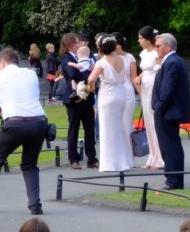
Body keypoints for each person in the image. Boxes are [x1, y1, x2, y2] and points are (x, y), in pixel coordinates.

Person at [0, 48, 47, 215]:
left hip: (14, 123)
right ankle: (35, 205)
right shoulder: (31, 74)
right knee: (30, 165)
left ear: (2, 62)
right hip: (38, 122)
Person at [86, 35, 134, 172]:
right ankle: (122, 161)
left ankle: (109, 163)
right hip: (120, 94)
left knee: (107, 128)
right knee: (118, 127)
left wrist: (90, 88)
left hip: (107, 95)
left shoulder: (102, 63)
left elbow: (91, 79)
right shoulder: (122, 59)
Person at [152, 33, 190, 190]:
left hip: (167, 111)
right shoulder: (174, 60)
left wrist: (159, 107)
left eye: (158, 46)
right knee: (173, 145)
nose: (156, 48)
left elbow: (168, 88)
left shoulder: (172, 62)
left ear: (168, 46)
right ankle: (176, 179)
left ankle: (173, 180)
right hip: (170, 110)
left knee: (168, 146)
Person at [59, 33, 98, 170]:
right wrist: (89, 76)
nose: (79, 44)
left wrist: (90, 75)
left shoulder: (86, 56)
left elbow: (95, 69)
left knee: (90, 129)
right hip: (74, 99)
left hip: (87, 97)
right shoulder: (66, 58)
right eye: (76, 42)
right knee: (74, 129)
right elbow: (73, 74)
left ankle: (92, 159)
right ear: (69, 44)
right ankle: (74, 159)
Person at [135, 25, 164, 169]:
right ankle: (152, 156)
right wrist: (140, 76)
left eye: (141, 38)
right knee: (148, 121)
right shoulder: (143, 53)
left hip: (154, 86)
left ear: (148, 39)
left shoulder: (157, 53)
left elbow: (158, 70)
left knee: (154, 121)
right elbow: (146, 69)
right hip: (145, 86)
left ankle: (160, 158)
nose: (139, 41)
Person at [112, 32, 138, 136]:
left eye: (117, 44)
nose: (115, 47)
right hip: (113, 91)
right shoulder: (108, 58)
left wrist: (142, 94)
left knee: (126, 120)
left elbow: (133, 77)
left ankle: (128, 143)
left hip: (127, 90)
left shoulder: (129, 57)